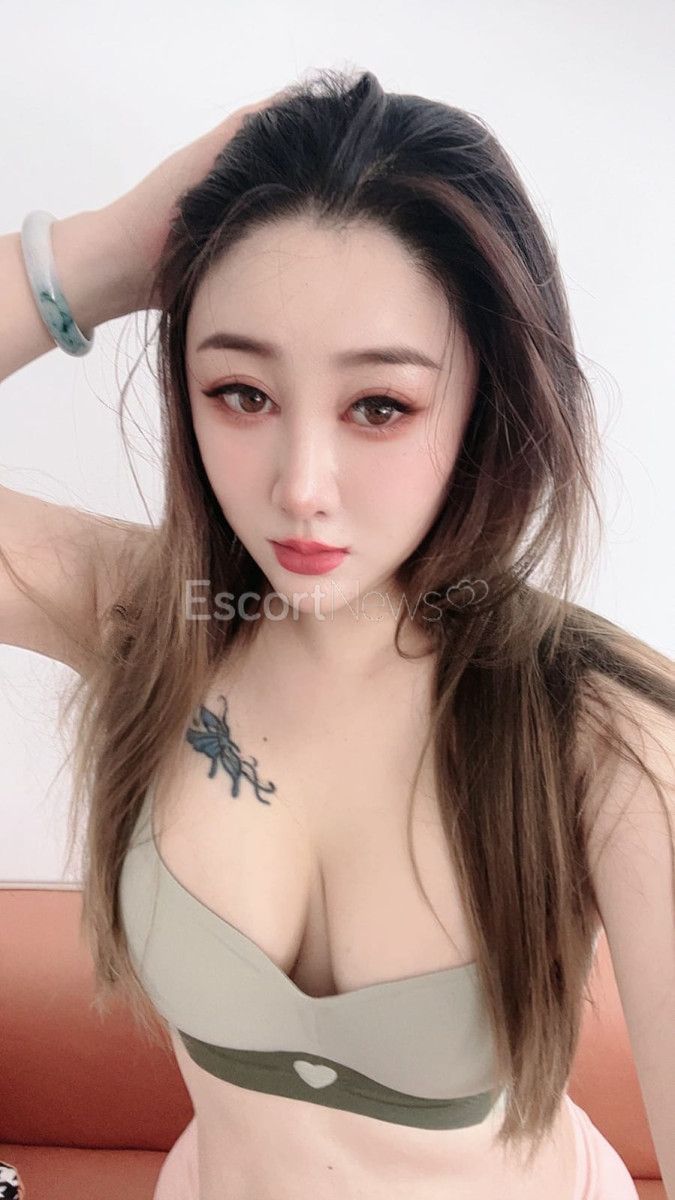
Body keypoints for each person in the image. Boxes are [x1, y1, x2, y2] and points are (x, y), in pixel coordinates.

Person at [1, 68, 673, 1200]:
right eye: (241, 392)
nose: (299, 489)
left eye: (379, 406)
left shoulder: (602, 736)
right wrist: (106, 254)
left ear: (486, 398)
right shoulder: (148, 620)